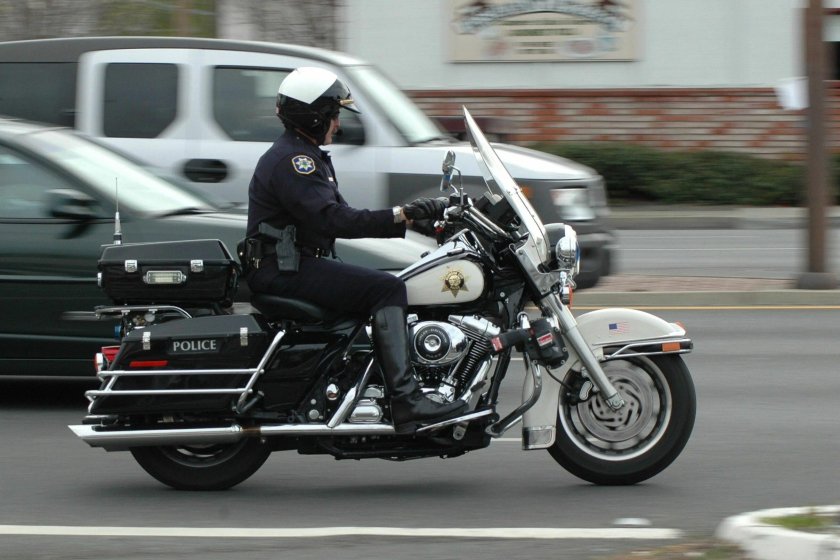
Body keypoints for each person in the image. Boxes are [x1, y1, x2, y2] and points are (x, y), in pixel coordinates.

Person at [244, 67, 467, 434]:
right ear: (314, 116)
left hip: (295, 264)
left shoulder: (305, 155)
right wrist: (403, 215)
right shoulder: (294, 162)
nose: (338, 125)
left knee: (392, 280)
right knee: (387, 288)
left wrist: (424, 223)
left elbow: (343, 216)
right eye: (334, 115)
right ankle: (406, 401)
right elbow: (335, 220)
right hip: (284, 269)